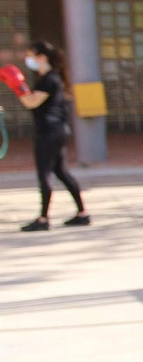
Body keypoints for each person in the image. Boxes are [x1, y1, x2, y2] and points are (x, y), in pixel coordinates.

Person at [1, 42, 88, 231]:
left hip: (49, 131)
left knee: (45, 174)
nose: (28, 59)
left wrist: (17, 85)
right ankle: (82, 213)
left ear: (42, 57)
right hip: (55, 130)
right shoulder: (47, 78)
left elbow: (31, 102)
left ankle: (43, 219)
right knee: (61, 172)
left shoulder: (50, 78)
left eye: (30, 55)